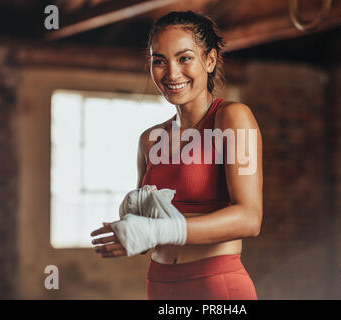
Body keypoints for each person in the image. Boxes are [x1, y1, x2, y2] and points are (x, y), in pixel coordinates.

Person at [90, 10, 263, 300]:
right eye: (159, 61)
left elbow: (249, 218)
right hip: (160, 284)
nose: (171, 73)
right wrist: (133, 225)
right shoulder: (149, 139)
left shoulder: (233, 118)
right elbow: (149, 238)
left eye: (184, 58)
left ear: (209, 60)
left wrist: (158, 230)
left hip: (215, 285)